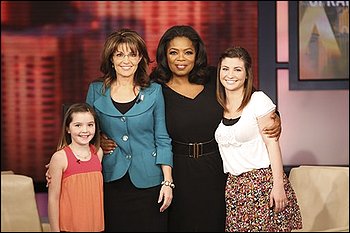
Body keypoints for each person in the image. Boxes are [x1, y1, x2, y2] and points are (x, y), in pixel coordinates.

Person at [100, 25, 282, 232]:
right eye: (173, 52)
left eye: (188, 52)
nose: (181, 58)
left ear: (197, 55)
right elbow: (131, 122)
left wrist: (276, 120)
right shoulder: (153, 87)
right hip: (177, 169)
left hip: (216, 167)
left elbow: (252, 102)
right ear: (164, 55)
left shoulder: (216, 78)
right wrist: (102, 137)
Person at [86, 28, 174, 232]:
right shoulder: (95, 91)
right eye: (119, 54)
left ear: (140, 58)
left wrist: (167, 182)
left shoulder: (154, 91)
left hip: (149, 181)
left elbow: (162, 138)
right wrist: (98, 139)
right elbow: (84, 131)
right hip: (110, 180)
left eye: (132, 54)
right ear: (111, 60)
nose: (126, 60)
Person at [214, 46, 302, 232]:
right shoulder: (217, 104)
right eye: (225, 69)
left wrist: (278, 186)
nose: (230, 74)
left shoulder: (258, 100)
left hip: (263, 183)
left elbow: (273, 145)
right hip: (234, 187)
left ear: (247, 74)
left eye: (237, 69)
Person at [48, 102, 104, 232]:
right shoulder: (60, 158)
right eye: (78, 125)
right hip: (69, 228)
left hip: (96, 227)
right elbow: (53, 199)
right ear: (68, 128)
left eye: (90, 125)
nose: (85, 130)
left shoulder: (98, 153)